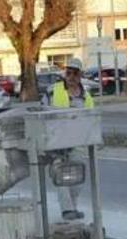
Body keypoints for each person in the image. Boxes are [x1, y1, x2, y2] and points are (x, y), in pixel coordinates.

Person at [42, 58, 94, 221]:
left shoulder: (86, 96)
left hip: (77, 143)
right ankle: (67, 210)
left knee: (77, 177)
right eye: (68, 72)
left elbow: (91, 119)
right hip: (55, 142)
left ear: (80, 75)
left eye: (75, 73)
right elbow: (40, 113)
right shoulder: (53, 90)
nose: (71, 76)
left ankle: (73, 207)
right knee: (60, 174)